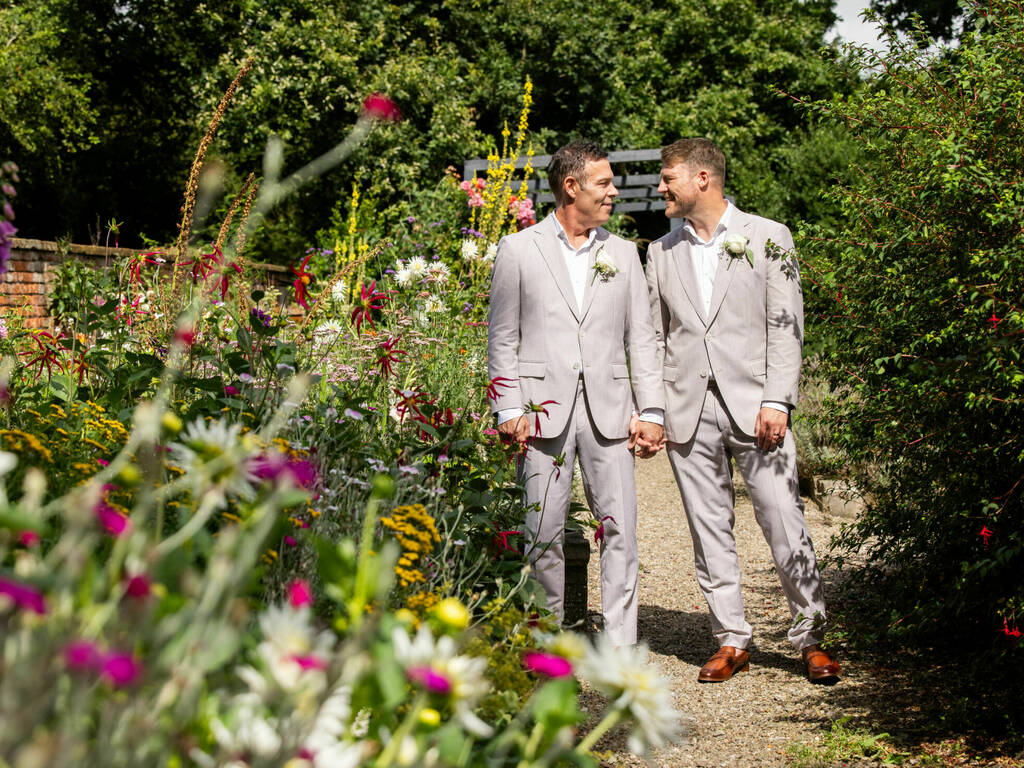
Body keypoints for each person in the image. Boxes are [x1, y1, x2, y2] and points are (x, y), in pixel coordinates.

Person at [645, 137, 840, 683]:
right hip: (688, 408)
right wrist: (654, 409)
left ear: (702, 179)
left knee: (784, 521)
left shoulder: (770, 236)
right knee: (708, 530)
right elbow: (655, 338)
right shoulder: (659, 252)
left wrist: (778, 399)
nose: (661, 188)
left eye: (668, 178)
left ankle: (809, 636)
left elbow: (787, 324)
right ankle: (731, 639)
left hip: (758, 409)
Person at [487, 140, 664, 646]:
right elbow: (502, 337)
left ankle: (621, 642)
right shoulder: (519, 249)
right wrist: (508, 407)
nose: (613, 192)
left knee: (620, 530)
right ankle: (546, 640)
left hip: (610, 408)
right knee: (542, 533)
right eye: (604, 183)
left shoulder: (625, 253)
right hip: (541, 413)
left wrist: (650, 409)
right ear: (571, 187)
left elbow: (641, 338)